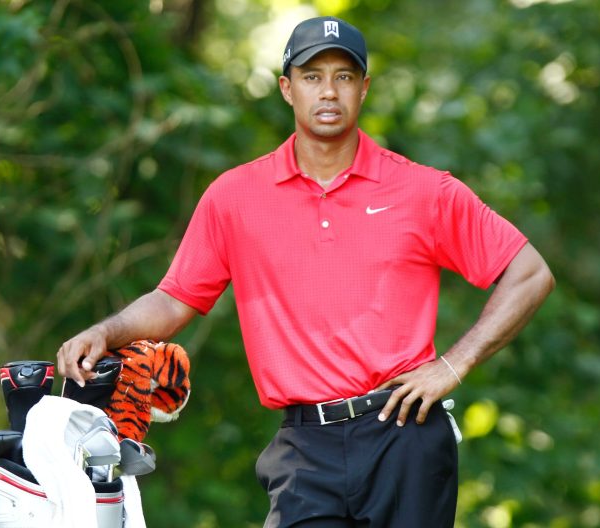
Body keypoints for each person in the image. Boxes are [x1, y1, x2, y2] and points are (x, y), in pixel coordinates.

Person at [57, 15, 554, 527]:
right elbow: (175, 298)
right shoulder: (234, 197)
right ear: (286, 88)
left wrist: (452, 365)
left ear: (364, 89)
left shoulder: (424, 191)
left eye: (343, 76)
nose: (329, 91)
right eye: (313, 76)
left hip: (404, 435)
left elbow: (531, 274)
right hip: (303, 449)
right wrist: (106, 331)